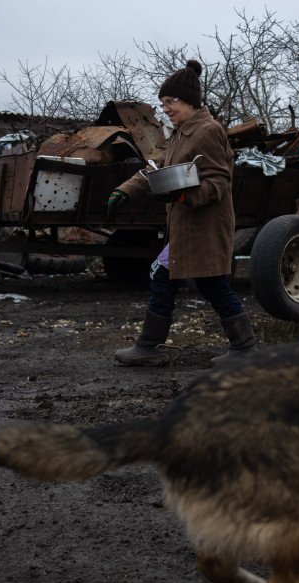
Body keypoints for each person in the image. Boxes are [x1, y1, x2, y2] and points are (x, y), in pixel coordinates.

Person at [106, 59, 255, 367]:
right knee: (165, 275)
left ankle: (244, 348)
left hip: (204, 227)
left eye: (170, 102)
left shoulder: (208, 131)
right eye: (163, 104)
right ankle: (150, 345)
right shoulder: (180, 133)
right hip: (186, 228)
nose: (166, 109)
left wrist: (187, 195)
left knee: (209, 283)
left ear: (189, 101)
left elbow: (219, 181)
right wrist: (126, 190)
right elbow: (156, 167)